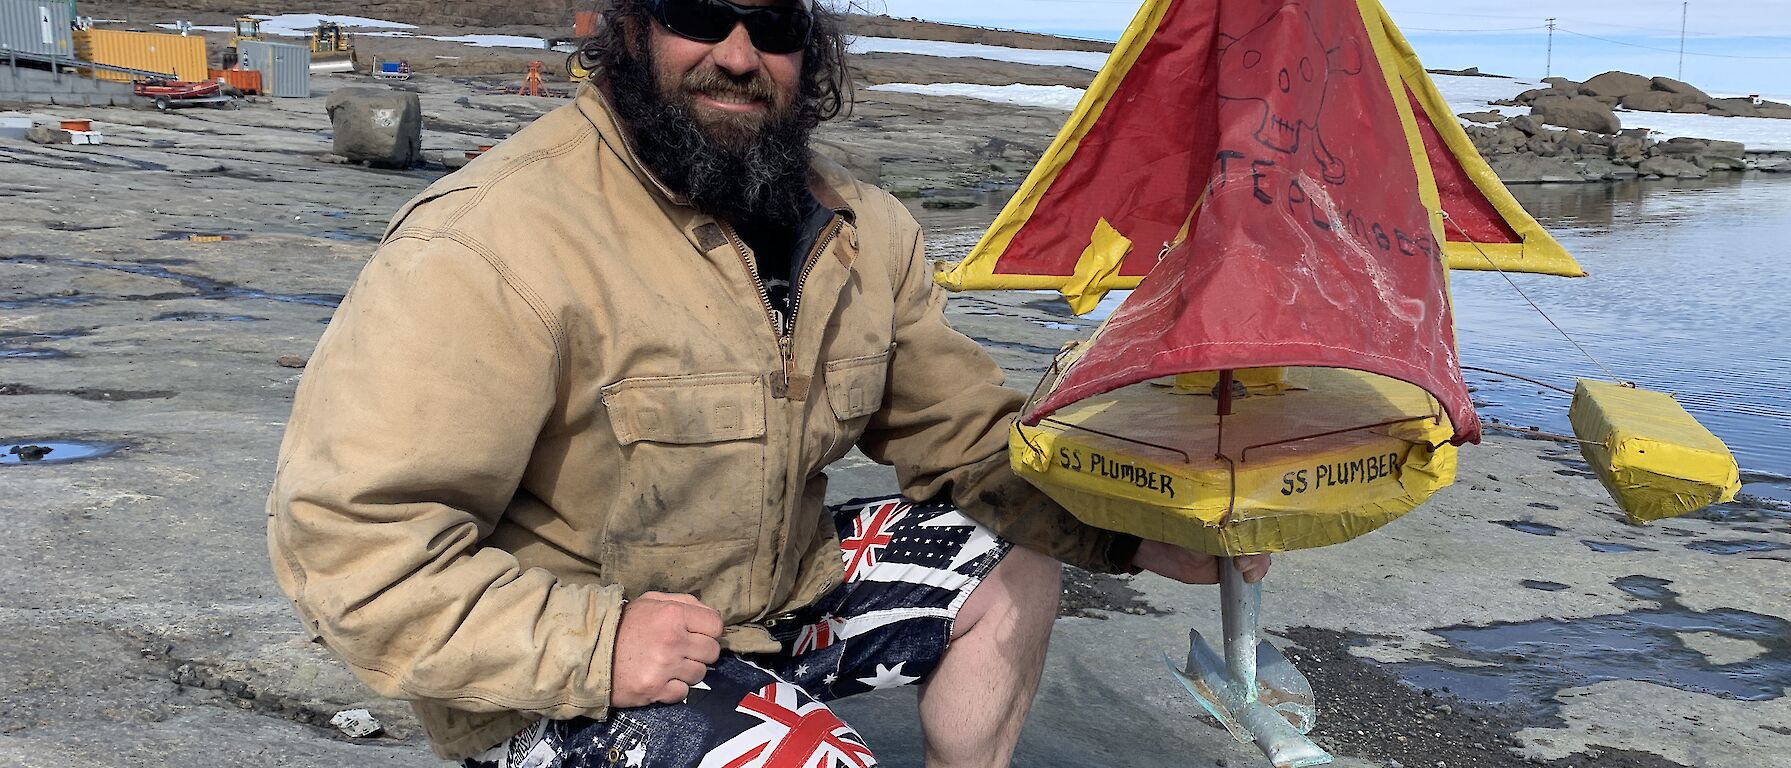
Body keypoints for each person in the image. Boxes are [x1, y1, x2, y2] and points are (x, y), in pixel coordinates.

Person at [266, 1, 1269, 765]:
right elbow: (353, 546)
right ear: (628, 27)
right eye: (700, 12)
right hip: (561, 678)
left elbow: (965, 436)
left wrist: (1135, 525)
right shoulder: (490, 245)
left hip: (770, 603)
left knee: (1014, 542)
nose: (739, 55)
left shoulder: (857, 230)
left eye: (775, 22)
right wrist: (593, 642)